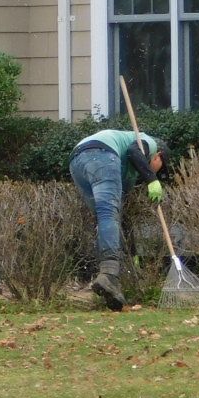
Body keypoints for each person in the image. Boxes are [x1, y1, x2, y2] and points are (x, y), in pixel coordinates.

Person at [69, 128, 166, 311]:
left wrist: (133, 253)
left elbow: (123, 218)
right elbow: (134, 151)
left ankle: (110, 281)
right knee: (107, 214)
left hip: (77, 160)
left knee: (105, 217)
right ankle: (109, 273)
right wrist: (152, 179)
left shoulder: (125, 171)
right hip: (101, 154)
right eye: (160, 168)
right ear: (158, 156)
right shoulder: (148, 142)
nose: (158, 171)